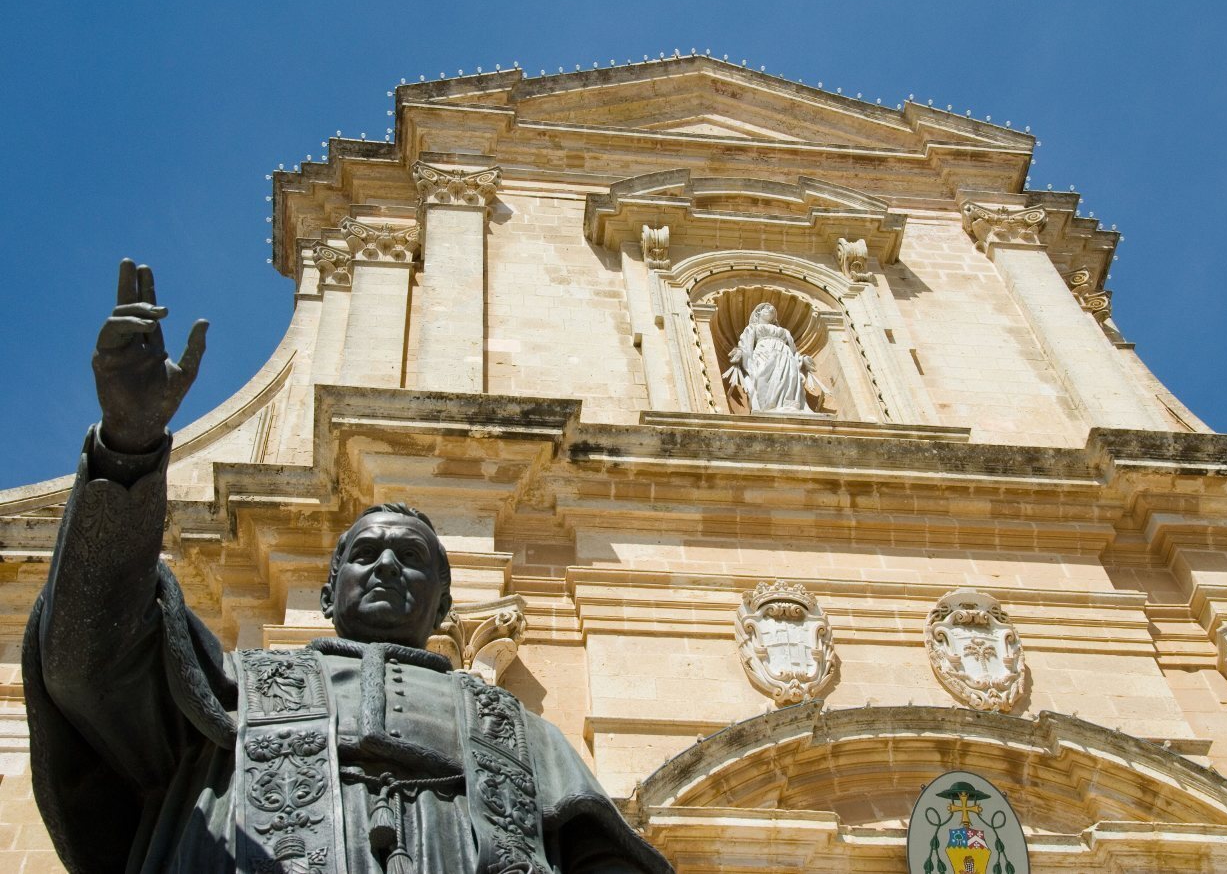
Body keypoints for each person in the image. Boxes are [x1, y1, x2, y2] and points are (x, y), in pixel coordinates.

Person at [23, 260, 672, 874]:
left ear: (443, 604)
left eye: (411, 557)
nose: (387, 563)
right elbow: (86, 656)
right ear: (328, 591)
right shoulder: (228, 687)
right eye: (365, 552)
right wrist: (128, 446)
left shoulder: (523, 735)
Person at [723, 302, 822, 414]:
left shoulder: (784, 331)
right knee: (763, 375)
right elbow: (746, 345)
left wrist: (802, 360)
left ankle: (788, 405)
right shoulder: (752, 328)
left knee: (790, 376)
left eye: (772, 309)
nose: (770, 309)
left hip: (785, 355)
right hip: (764, 353)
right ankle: (767, 406)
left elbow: (794, 351)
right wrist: (740, 353)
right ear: (758, 312)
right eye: (766, 308)